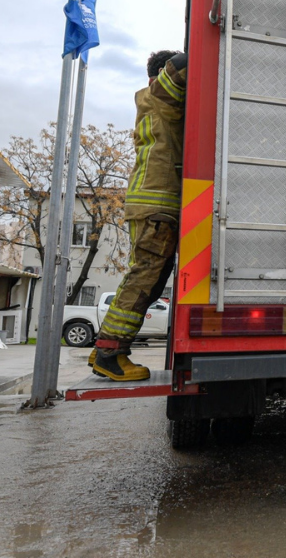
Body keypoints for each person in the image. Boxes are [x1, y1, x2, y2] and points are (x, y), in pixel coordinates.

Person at [89, 50, 187, 381]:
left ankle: (105, 346)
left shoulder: (154, 102)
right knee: (146, 275)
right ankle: (110, 352)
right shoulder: (159, 92)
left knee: (149, 277)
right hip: (156, 203)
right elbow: (184, 63)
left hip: (152, 203)